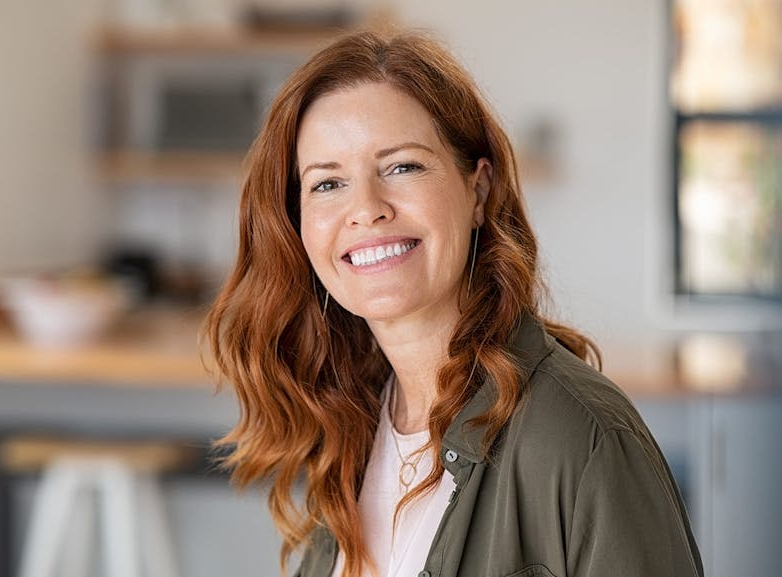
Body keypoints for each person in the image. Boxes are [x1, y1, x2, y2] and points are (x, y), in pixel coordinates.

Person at [205, 29, 703, 577]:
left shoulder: (583, 440)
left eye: (402, 167)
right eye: (327, 184)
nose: (366, 209)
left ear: (479, 191)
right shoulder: (349, 425)